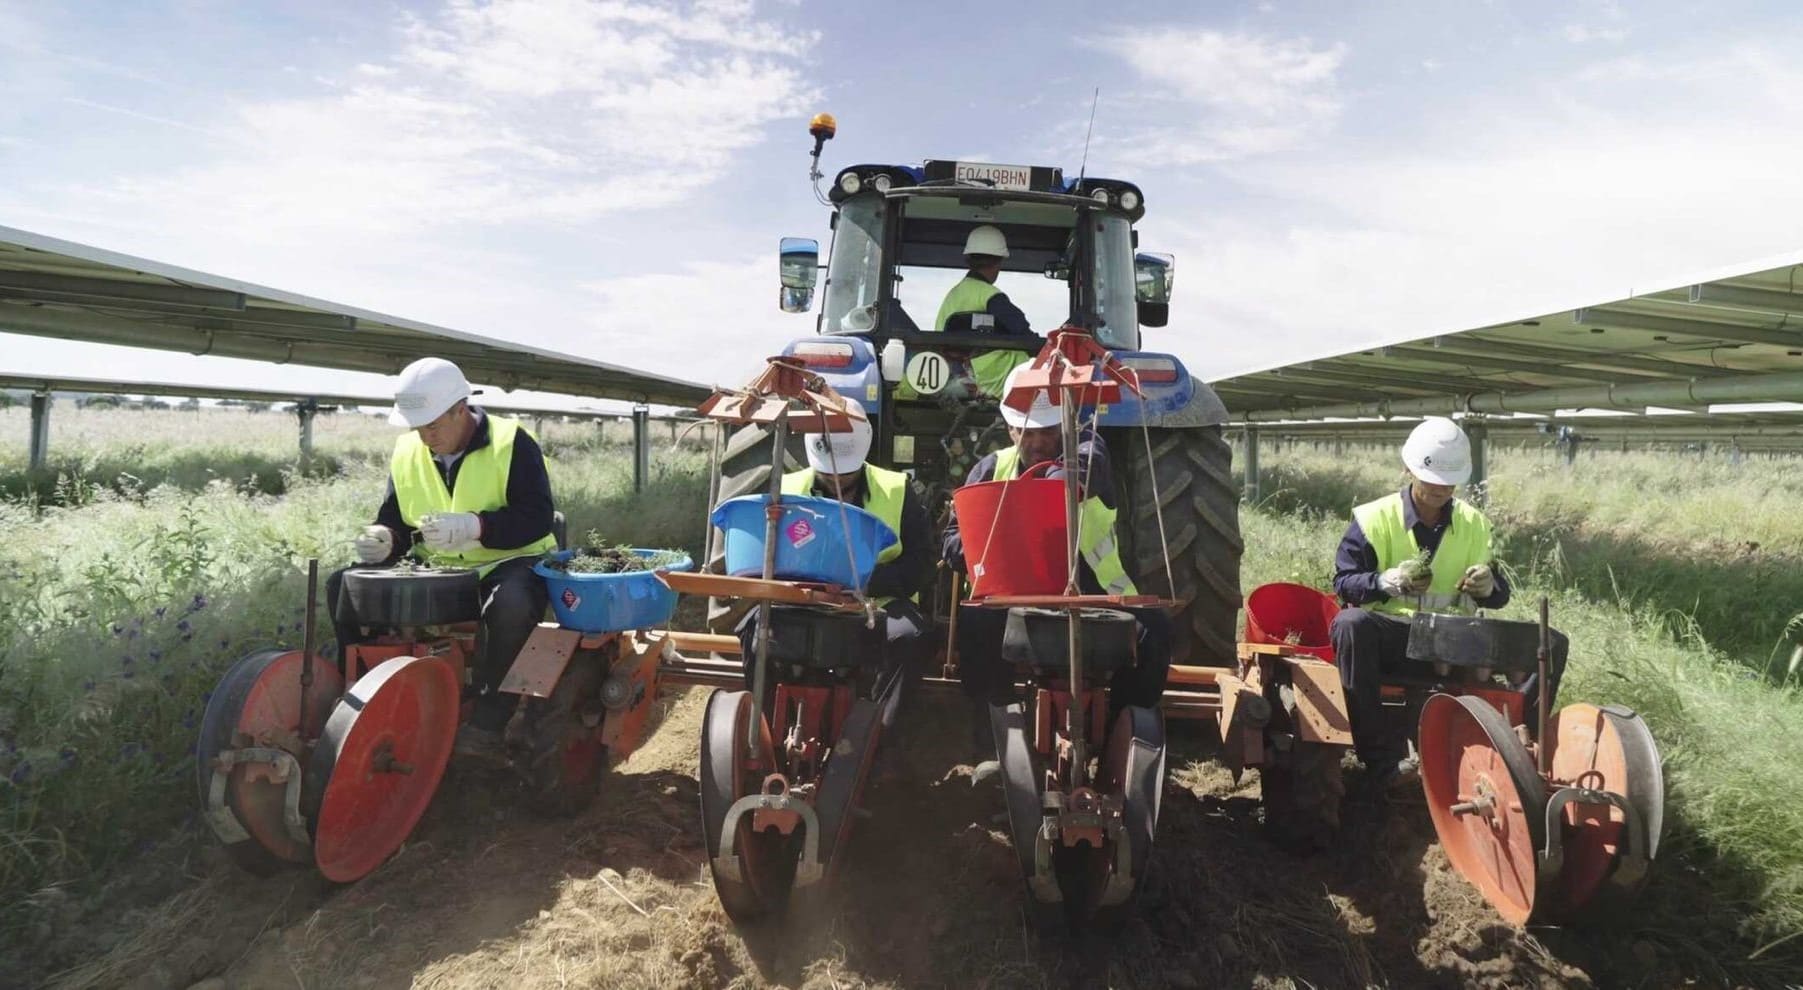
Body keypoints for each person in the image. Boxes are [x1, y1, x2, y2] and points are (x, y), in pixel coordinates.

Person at [943, 362, 1172, 777]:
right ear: (1011, 430)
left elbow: (1077, 474)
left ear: (1066, 424)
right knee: (976, 625)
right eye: (1027, 433)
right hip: (1013, 596)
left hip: (1091, 591)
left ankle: (1118, 741)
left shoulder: (1088, 452)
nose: (1037, 441)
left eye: (1048, 431)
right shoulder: (989, 470)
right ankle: (992, 739)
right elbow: (953, 542)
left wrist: (1037, 490)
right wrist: (980, 544)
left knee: (1155, 632)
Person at [330, 357, 558, 761]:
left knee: (511, 603)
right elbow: (394, 520)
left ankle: (489, 719)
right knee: (344, 585)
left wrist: (475, 526)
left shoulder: (512, 442)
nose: (424, 437)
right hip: (437, 566)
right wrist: (384, 539)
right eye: (417, 427)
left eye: (433, 425)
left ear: (460, 408)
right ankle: (362, 695)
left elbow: (538, 518)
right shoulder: (407, 451)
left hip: (507, 561)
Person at [1329, 416, 1566, 788]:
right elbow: (1344, 583)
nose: (1441, 489)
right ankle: (1381, 761)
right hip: (1397, 639)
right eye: (1432, 480)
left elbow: (1500, 595)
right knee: (1350, 625)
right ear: (1408, 468)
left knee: (1550, 643)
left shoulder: (1476, 524)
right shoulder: (1373, 519)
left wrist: (1489, 586)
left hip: (1455, 639)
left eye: (1448, 482)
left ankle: (1524, 754)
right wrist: (1385, 582)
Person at [734, 400, 933, 757]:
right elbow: (762, 552)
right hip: (802, 602)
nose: (838, 478)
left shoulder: (898, 490)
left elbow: (921, 565)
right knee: (754, 630)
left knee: (910, 637)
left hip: (877, 603)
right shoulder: (786, 487)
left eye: (846, 472)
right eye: (829, 473)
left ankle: (877, 741)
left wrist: (863, 583)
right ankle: (764, 735)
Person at [933, 225, 1033, 397]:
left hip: (955, 376)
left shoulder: (952, 296)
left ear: (969, 259)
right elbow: (1022, 330)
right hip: (999, 384)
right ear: (998, 262)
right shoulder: (991, 296)